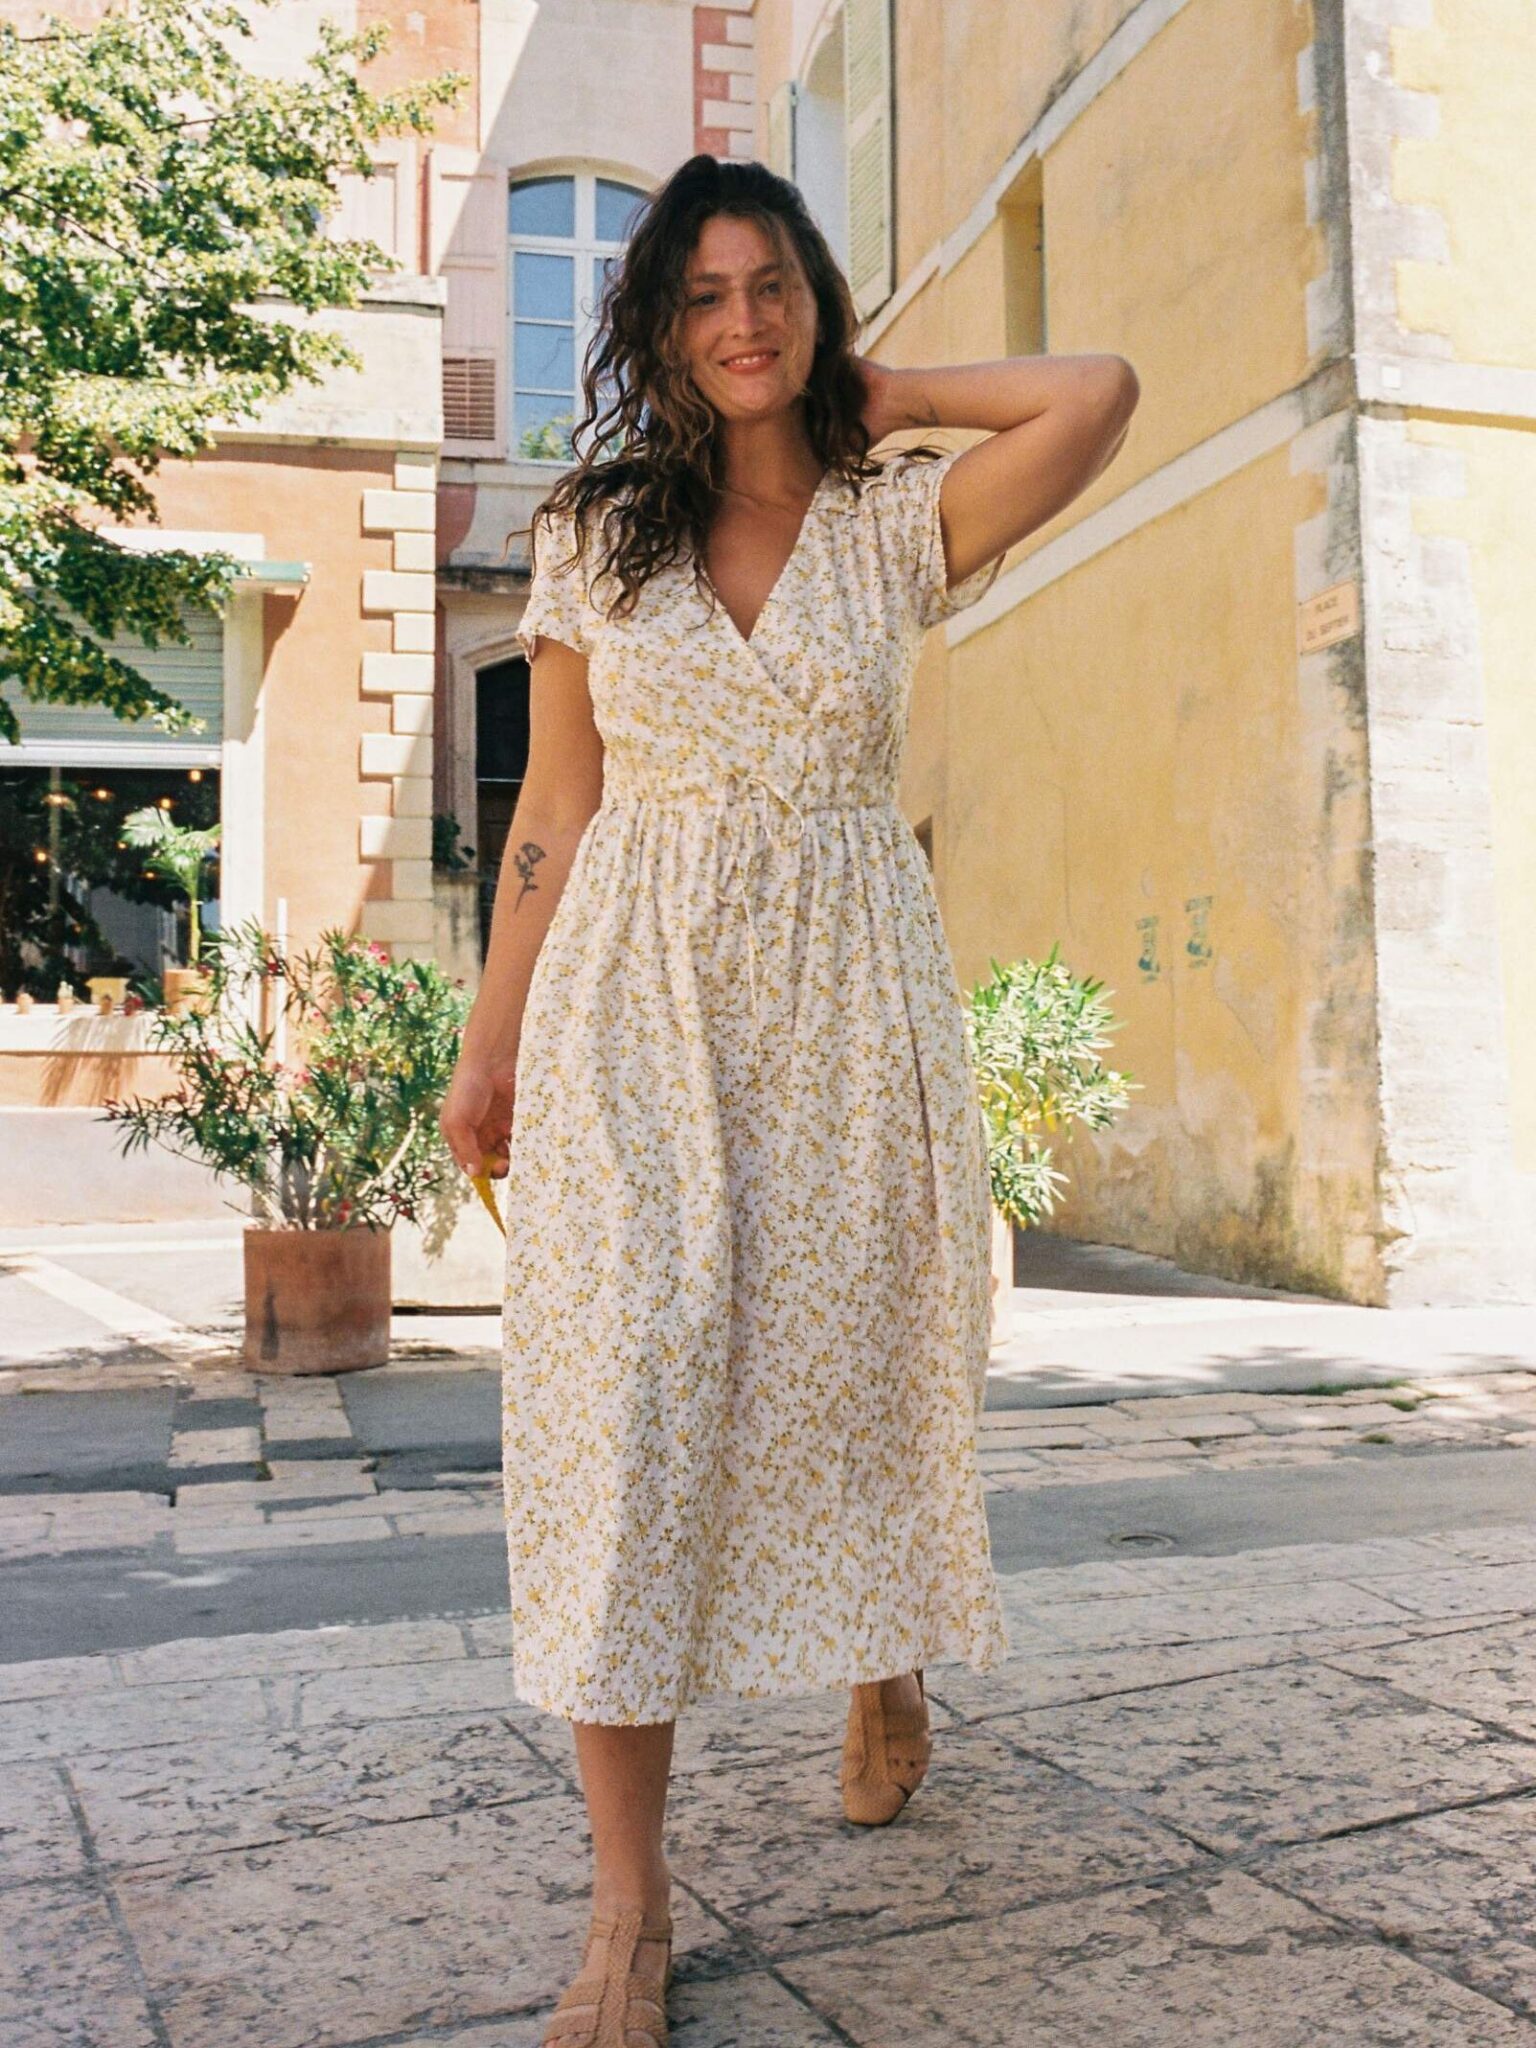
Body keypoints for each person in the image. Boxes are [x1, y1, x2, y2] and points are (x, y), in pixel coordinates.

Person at [439, 151, 1138, 2048]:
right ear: (658, 326)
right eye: (701, 294)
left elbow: (1098, 395)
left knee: (857, 1360)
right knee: (629, 1396)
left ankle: (885, 1665)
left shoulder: (895, 519)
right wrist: (491, 1035)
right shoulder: (597, 526)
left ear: (816, 305)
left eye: (773, 287)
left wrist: (892, 399)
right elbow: (556, 808)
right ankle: (630, 1907)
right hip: (638, 1002)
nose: (740, 321)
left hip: (846, 999)